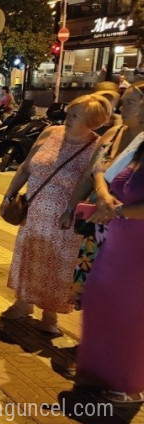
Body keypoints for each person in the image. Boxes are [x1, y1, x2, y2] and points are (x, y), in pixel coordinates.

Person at [0, 94, 111, 335]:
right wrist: (9, 195)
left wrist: (71, 209)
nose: (67, 118)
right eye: (68, 112)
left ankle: (49, 315)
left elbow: (88, 182)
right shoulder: (52, 132)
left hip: (64, 218)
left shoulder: (97, 146)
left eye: (74, 115)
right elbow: (25, 166)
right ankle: (23, 303)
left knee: (57, 264)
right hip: (35, 210)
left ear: (92, 121)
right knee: (29, 257)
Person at [75, 119, 144, 404]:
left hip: (137, 248)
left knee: (129, 315)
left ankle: (127, 384)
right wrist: (103, 196)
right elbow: (102, 172)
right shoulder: (138, 145)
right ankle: (99, 374)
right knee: (101, 303)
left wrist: (118, 212)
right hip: (116, 242)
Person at [69, 82, 144, 306]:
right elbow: (90, 174)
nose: (123, 106)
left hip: (127, 221)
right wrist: (71, 208)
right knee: (94, 284)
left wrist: (114, 207)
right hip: (98, 218)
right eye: (124, 100)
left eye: (130, 102)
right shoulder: (114, 133)